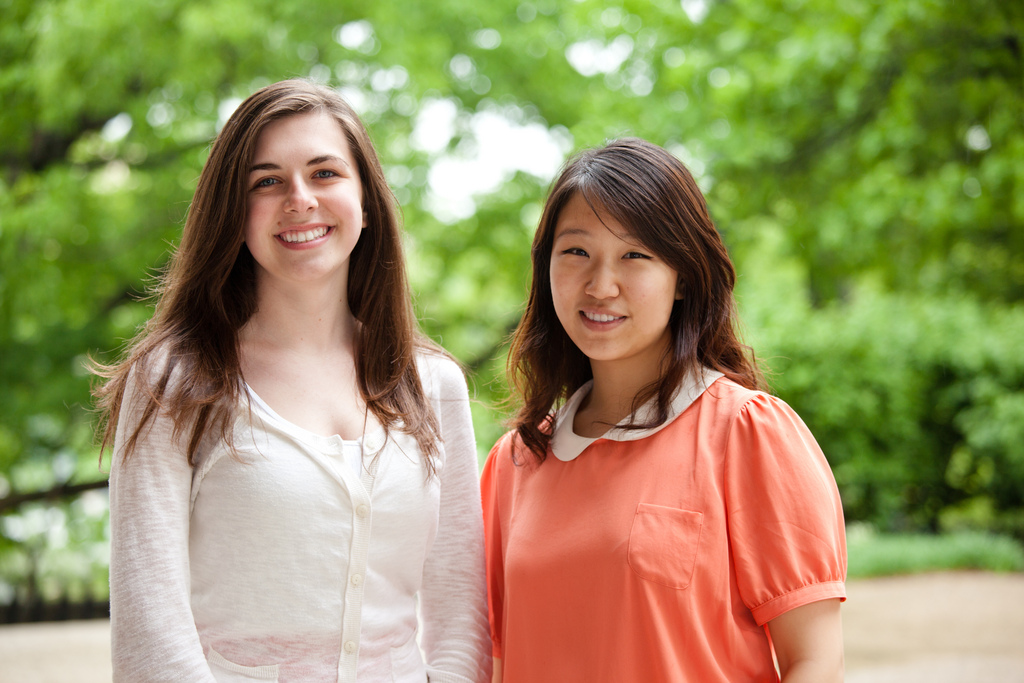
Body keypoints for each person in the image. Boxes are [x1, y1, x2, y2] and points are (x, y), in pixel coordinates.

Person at [93, 79, 491, 683]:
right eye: (267, 181)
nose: (299, 199)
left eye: (325, 173)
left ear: (365, 201)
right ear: (235, 211)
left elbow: (461, 608)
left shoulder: (432, 384)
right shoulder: (176, 380)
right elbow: (150, 637)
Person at [482, 138, 847, 682]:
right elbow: (495, 660)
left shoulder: (746, 434)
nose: (601, 285)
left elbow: (814, 661)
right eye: (576, 252)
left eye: (635, 256)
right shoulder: (516, 463)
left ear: (683, 277)